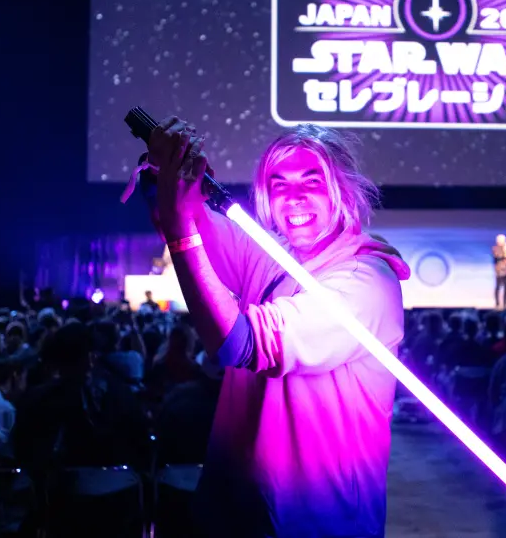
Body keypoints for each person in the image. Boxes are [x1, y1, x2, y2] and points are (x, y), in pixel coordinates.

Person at [140, 118, 410, 537]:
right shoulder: (273, 256)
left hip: (318, 524)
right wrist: (167, 170)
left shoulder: (367, 282)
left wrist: (180, 232)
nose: (293, 197)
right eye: (278, 184)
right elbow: (188, 218)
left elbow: (238, 343)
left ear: (344, 188)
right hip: (235, 515)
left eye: (312, 181)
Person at [492, 234, 506, 309]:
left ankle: (505, 304)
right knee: (498, 287)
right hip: (499, 272)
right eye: (500, 240)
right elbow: (497, 257)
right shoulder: (495, 248)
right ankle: (497, 304)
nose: (501, 242)